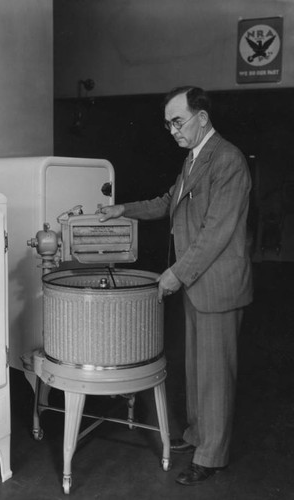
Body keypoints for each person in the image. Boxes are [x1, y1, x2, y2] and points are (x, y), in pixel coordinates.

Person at [99, 86, 253, 485]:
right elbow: (167, 202)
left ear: (202, 117)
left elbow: (215, 232)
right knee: (198, 369)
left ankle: (211, 457)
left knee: (216, 374)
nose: (172, 130)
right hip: (199, 284)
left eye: (177, 121)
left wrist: (176, 274)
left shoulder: (229, 160)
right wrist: (123, 209)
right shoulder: (193, 159)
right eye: (168, 123)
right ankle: (198, 437)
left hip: (217, 284)